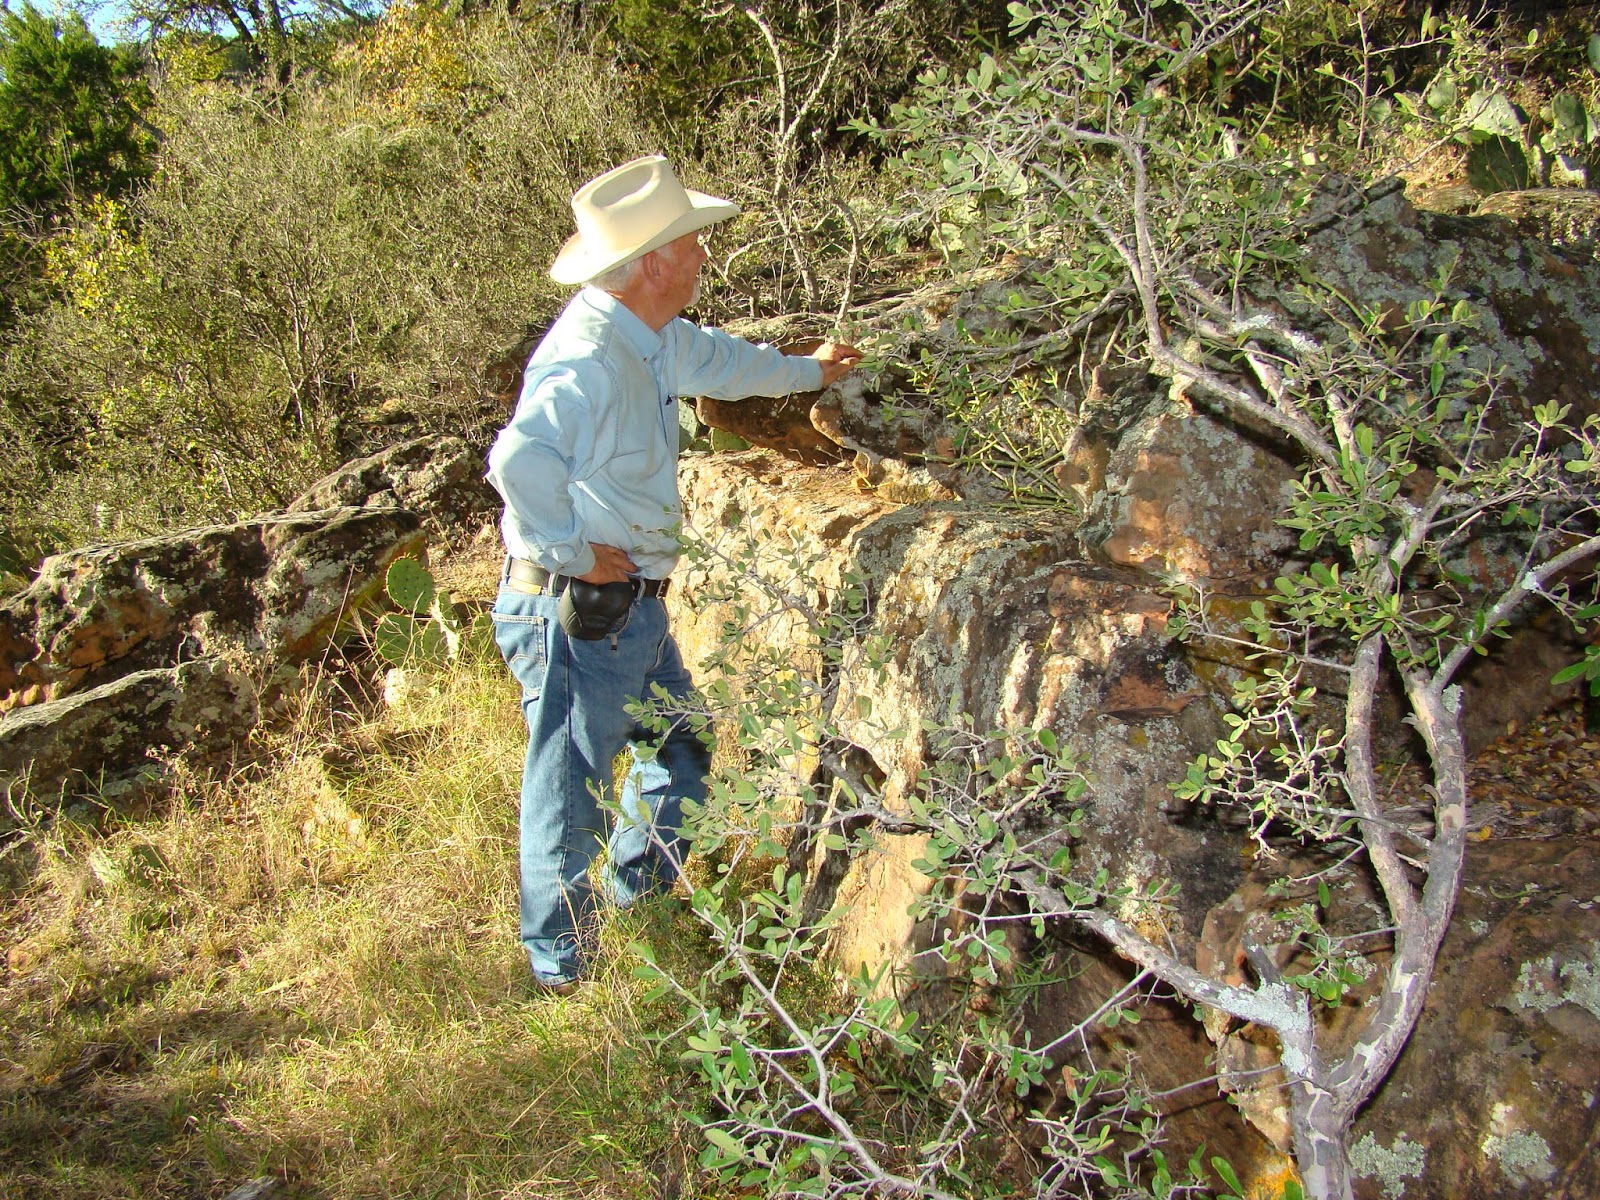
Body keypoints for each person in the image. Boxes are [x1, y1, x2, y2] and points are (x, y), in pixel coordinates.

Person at [485, 156, 861, 992]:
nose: (703, 256)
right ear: (654, 261)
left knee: (681, 754)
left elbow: (727, 364)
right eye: (692, 243)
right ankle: (564, 974)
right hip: (575, 612)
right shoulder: (587, 360)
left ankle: (638, 906)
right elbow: (519, 459)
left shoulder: (649, 338)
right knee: (569, 792)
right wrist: (572, 552)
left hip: (628, 615)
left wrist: (813, 372)